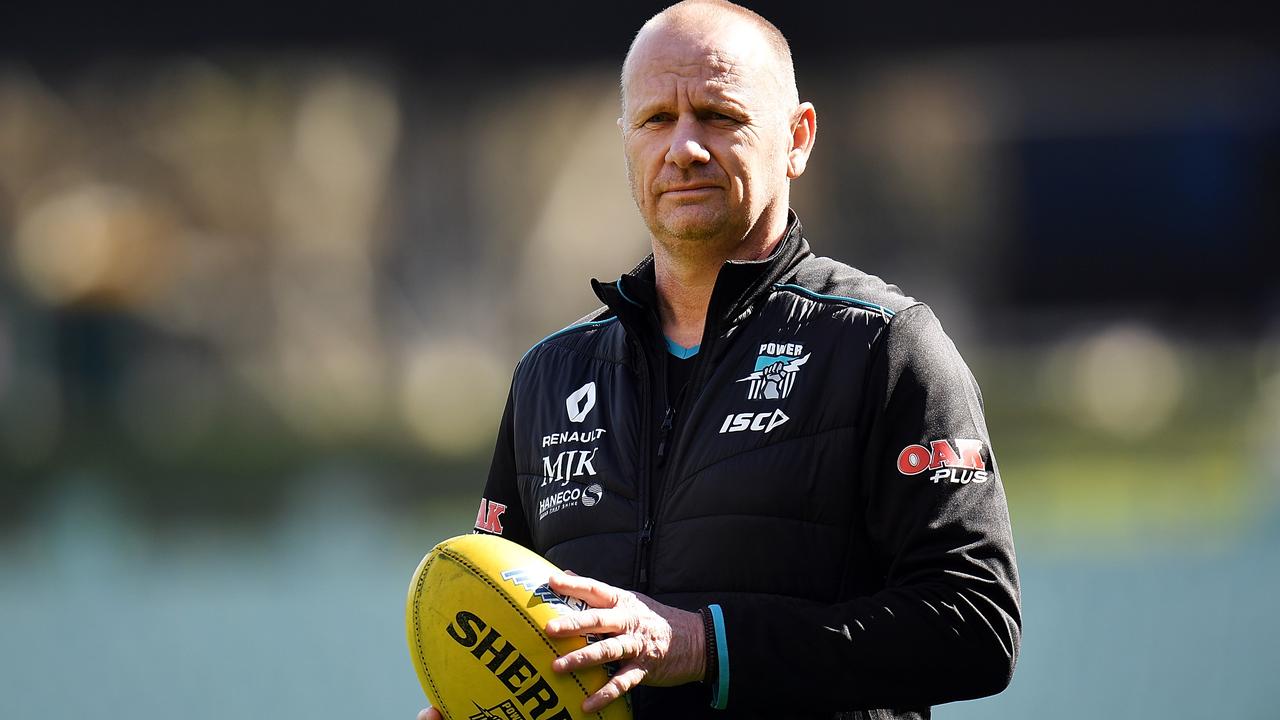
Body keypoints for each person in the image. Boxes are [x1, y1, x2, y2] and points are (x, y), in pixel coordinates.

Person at [421, 1, 1020, 717]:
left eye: (719, 115)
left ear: (796, 138)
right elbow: (504, 620)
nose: (684, 148)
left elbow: (976, 624)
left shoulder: (884, 345)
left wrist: (706, 645)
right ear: (626, 143)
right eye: (655, 121)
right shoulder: (550, 375)